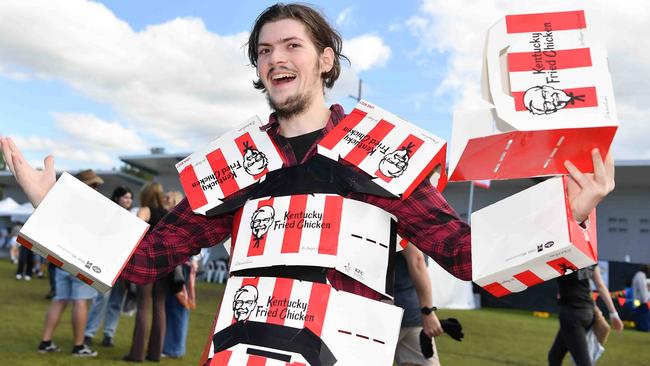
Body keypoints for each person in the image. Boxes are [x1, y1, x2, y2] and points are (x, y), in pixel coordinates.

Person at [0, 3, 615, 364]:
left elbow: (462, 253)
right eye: (264, 50)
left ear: (325, 59)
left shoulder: (380, 156)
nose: (275, 59)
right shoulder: (238, 165)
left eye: (292, 44)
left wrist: (569, 213)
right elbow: (144, 258)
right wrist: (52, 204)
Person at [35, 169, 102, 357]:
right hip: (80, 260)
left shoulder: (64, 203)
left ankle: (45, 342)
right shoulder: (93, 207)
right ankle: (79, 346)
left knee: (59, 300)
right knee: (80, 302)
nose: (97, 189)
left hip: (61, 260)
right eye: (94, 185)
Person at [123, 182, 169, 362]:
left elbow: (133, 231)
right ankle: (155, 353)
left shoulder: (144, 210)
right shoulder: (167, 214)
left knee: (143, 306)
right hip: (165, 264)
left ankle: (137, 354)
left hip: (146, 263)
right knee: (159, 307)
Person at [83, 186, 134, 347]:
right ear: (117, 197)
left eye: (130, 198)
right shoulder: (108, 214)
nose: (128, 200)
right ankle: (89, 332)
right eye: (125, 197)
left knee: (116, 301)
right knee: (101, 299)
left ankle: (109, 334)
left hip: (122, 265)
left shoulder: (132, 219)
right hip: (105, 263)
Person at [547, 265, 624, 366]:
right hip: (588, 312)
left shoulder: (563, 254)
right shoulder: (588, 256)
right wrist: (614, 314)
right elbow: (600, 285)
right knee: (554, 356)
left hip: (572, 314)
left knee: (583, 363)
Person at [395, 241, 443, 366]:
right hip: (397, 311)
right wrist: (427, 311)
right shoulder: (404, 224)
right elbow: (417, 260)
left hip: (404, 312)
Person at [162, 191, 197, 359]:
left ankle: (174, 348)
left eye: (168, 199)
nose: (165, 201)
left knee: (179, 308)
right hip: (175, 267)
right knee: (170, 308)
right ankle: (169, 345)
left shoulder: (181, 222)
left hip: (181, 268)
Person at [631, 264, 650, 331]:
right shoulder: (641, 276)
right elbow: (643, 288)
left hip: (637, 298)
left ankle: (640, 327)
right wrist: (645, 299)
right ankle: (644, 328)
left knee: (638, 313)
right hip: (641, 299)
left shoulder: (637, 275)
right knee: (643, 314)